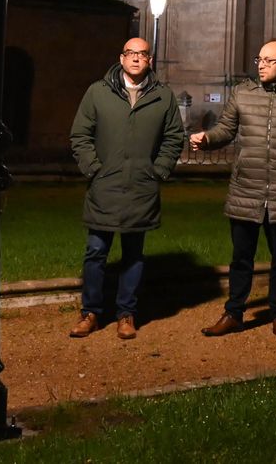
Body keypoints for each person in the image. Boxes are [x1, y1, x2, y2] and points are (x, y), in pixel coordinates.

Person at [191, 39, 276, 342]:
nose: (260, 65)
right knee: (241, 258)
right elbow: (226, 128)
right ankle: (234, 314)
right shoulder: (243, 92)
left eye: (267, 60)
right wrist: (208, 140)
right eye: (258, 59)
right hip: (245, 189)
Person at [67, 36, 184, 340]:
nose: (135, 58)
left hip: (140, 188)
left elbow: (174, 138)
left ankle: (126, 314)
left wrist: (158, 171)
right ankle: (90, 312)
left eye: (142, 54)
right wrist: (94, 169)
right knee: (96, 251)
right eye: (130, 53)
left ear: (150, 60)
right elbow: (80, 135)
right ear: (121, 58)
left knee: (133, 254)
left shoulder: (163, 97)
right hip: (104, 186)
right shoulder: (97, 92)